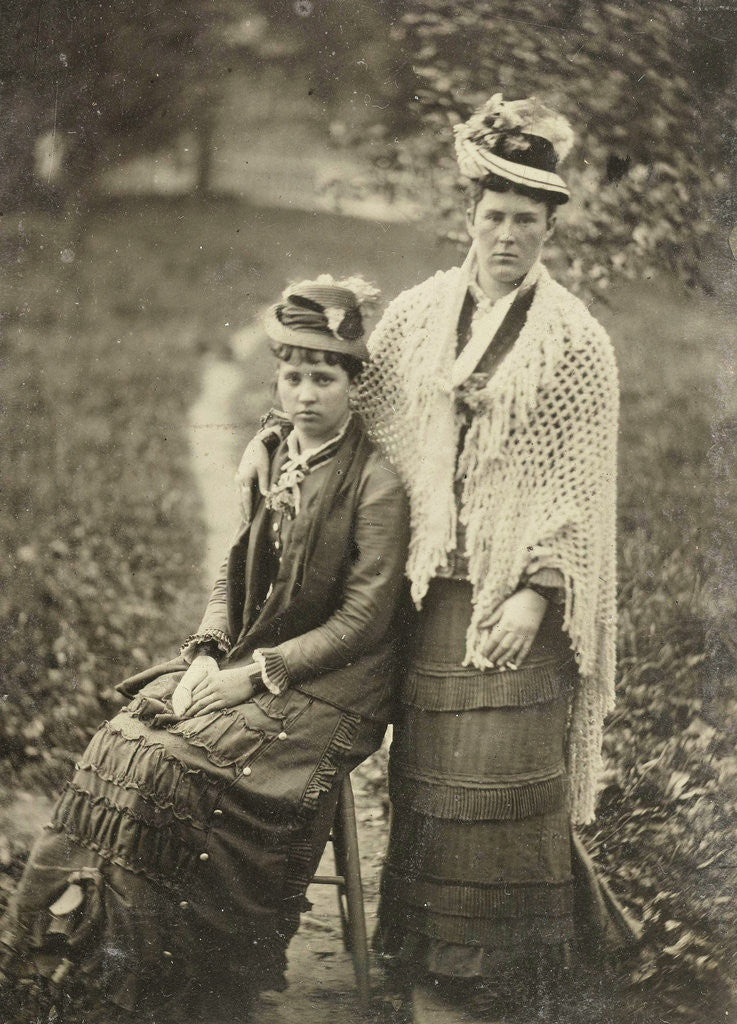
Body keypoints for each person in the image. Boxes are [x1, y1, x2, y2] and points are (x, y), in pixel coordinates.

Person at [237, 96, 639, 1018]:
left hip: (514, 604)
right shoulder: (419, 316)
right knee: (433, 785)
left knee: (506, 784)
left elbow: (576, 492)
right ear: (470, 217)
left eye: (526, 221)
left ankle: (503, 967)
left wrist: (535, 594)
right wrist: (272, 435)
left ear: (549, 229)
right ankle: (435, 959)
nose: (507, 236)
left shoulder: (576, 342)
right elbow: (344, 402)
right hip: (427, 593)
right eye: (494, 216)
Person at [0, 276, 410, 1021]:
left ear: (354, 384)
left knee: (179, 766)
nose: (306, 394)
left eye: (324, 378)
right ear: (276, 380)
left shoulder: (374, 484)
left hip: (336, 684)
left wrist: (251, 678)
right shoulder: (276, 455)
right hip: (255, 656)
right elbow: (235, 570)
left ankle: (200, 974)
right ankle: (92, 946)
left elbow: (363, 621)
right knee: (124, 741)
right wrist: (204, 653)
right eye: (293, 376)